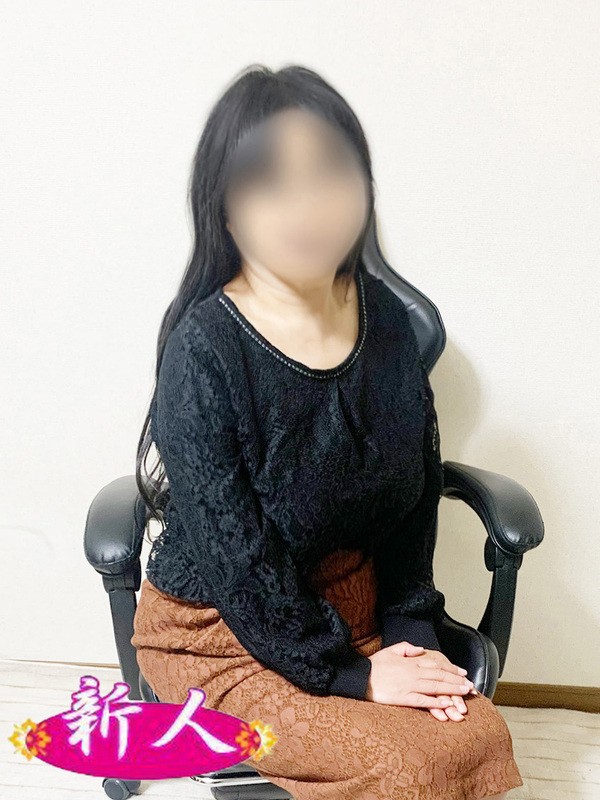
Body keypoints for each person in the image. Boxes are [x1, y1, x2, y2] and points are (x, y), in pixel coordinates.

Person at [131, 63, 524, 799]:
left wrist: (410, 637)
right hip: (219, 632)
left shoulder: (388, 321)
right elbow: (237, 562)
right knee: (410, 766)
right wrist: (352, 674)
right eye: (269, 182)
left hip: (351, 609)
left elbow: (413, 499)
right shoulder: (204, 350)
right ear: (224, 209)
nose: (306, 204)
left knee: (477, 736)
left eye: (328, 172)